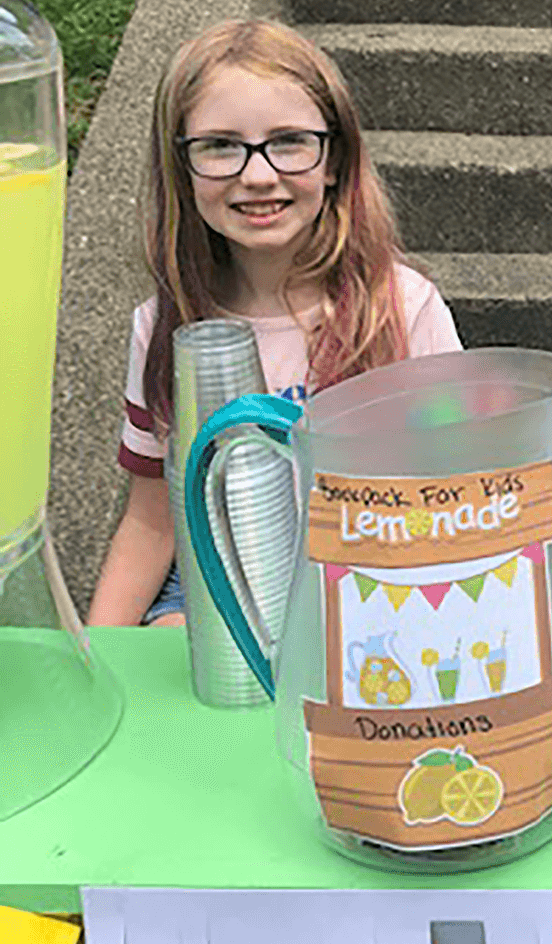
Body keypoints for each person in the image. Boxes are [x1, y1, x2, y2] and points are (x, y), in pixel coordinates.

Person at [87, 19, 464, 627]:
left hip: (374, 577)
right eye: (219, 146)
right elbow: (152, 521)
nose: (258, 175)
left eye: (289, 141)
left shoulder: (403, 307)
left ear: (335, 159)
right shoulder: (162, 327)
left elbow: (455, 489)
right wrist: (97, 657)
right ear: (180, 169)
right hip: (216, 591)